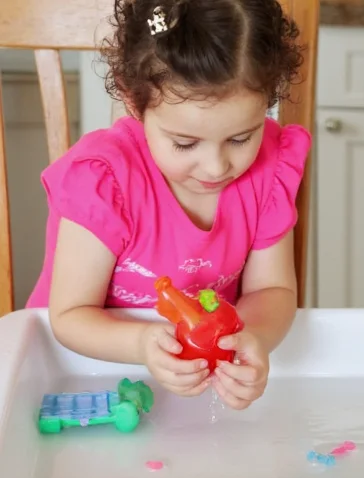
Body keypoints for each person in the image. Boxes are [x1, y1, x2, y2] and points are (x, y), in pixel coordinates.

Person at [27, 0, 311, 410]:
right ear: (133, 100)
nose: (216, 167)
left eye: (240, 138)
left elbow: (272, 290)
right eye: (185, 143)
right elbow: (70, 316)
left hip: (197, 388)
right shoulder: (104, 182)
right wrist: (142, 344)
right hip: (87, 374)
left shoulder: (270, 170)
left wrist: (253, 338)